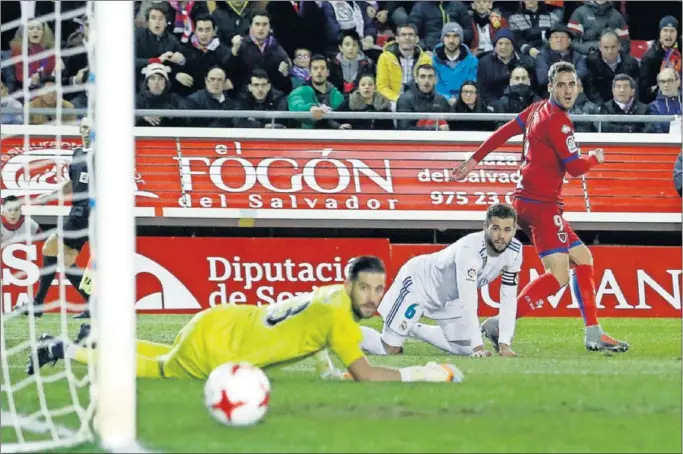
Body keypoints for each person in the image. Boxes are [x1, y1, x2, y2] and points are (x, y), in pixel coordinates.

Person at [28, 256, 464, 384]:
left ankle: (98, 339)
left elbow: (309, 336)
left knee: (168, 354)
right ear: (350, 285)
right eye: (365, 288)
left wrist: (330, 370)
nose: (372, 297)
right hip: (221, 348)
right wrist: (425, 373)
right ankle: (62, 349)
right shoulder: (341, 318)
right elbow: (368, 375)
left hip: (219, 321)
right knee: (158, 370)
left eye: (378, 289)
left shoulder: (329, 296)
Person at [452, 61, 629, 353]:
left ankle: (593, 331)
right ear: (550, 86)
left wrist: (474, 160)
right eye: (561, 84)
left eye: (572, 84)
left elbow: (504, 132)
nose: (567, 89)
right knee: (559, 275)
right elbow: (574, 168)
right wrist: (595, 158)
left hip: (527, 201)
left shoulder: (536, 110)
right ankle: (500, 323)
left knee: (583, 259)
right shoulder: (558, 121)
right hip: (541, 207)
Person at [360, 204, 522, 358]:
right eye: (495, 229)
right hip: (420, 284)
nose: (501, 236)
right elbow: (468, 300)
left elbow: (508, 298)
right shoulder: (469, 250)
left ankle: (412, 328)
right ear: (485, 226)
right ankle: (339, 329)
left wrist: (504, 344)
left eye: (507, 230)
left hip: (449, 298)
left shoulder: (515, 252)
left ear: (514, 230)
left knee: (465, 348)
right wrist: (478, 347)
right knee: (388, 349)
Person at [14, 118, 93, 319]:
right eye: (83, 127)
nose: (86, 131)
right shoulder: (77, 153)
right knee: (66, 260)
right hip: (77, 210)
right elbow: (72, 183)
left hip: (87, 212)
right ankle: (92, 305)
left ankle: (38, 303)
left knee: (50, 247)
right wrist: (48, 197)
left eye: (91, 128)